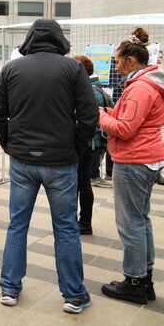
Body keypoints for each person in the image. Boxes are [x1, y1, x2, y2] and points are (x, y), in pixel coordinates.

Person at [0, 19, 97, 314]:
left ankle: (9, 288)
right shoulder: (73, 68)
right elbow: (89, 115)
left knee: (17, 225)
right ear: (59, 39)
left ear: (29, 38)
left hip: (22, 160)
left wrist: (9, 145)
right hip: (61, 161)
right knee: (65, 228)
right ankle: (74, 295)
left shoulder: (11, 68)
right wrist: (76, 147)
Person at [99, 28, 164, 305]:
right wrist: (109, 113)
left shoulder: (139, 88)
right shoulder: (150, 84)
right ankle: (144, 280)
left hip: (133, 160)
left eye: (117, 61)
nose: (115, 66)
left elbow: (125, 128)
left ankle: (133, 282)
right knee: (141, 221)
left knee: (130, 223)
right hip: (146, 158)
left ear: (131, 60)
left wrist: (99, 116)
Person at [73, 55, 110, 236]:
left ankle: (84, 222)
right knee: (82, 182)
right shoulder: (95, 87)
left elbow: (85, 119)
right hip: (90, 143)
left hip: (86, 143)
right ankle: (81, 221)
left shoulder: (89, 90)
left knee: (80, 183)